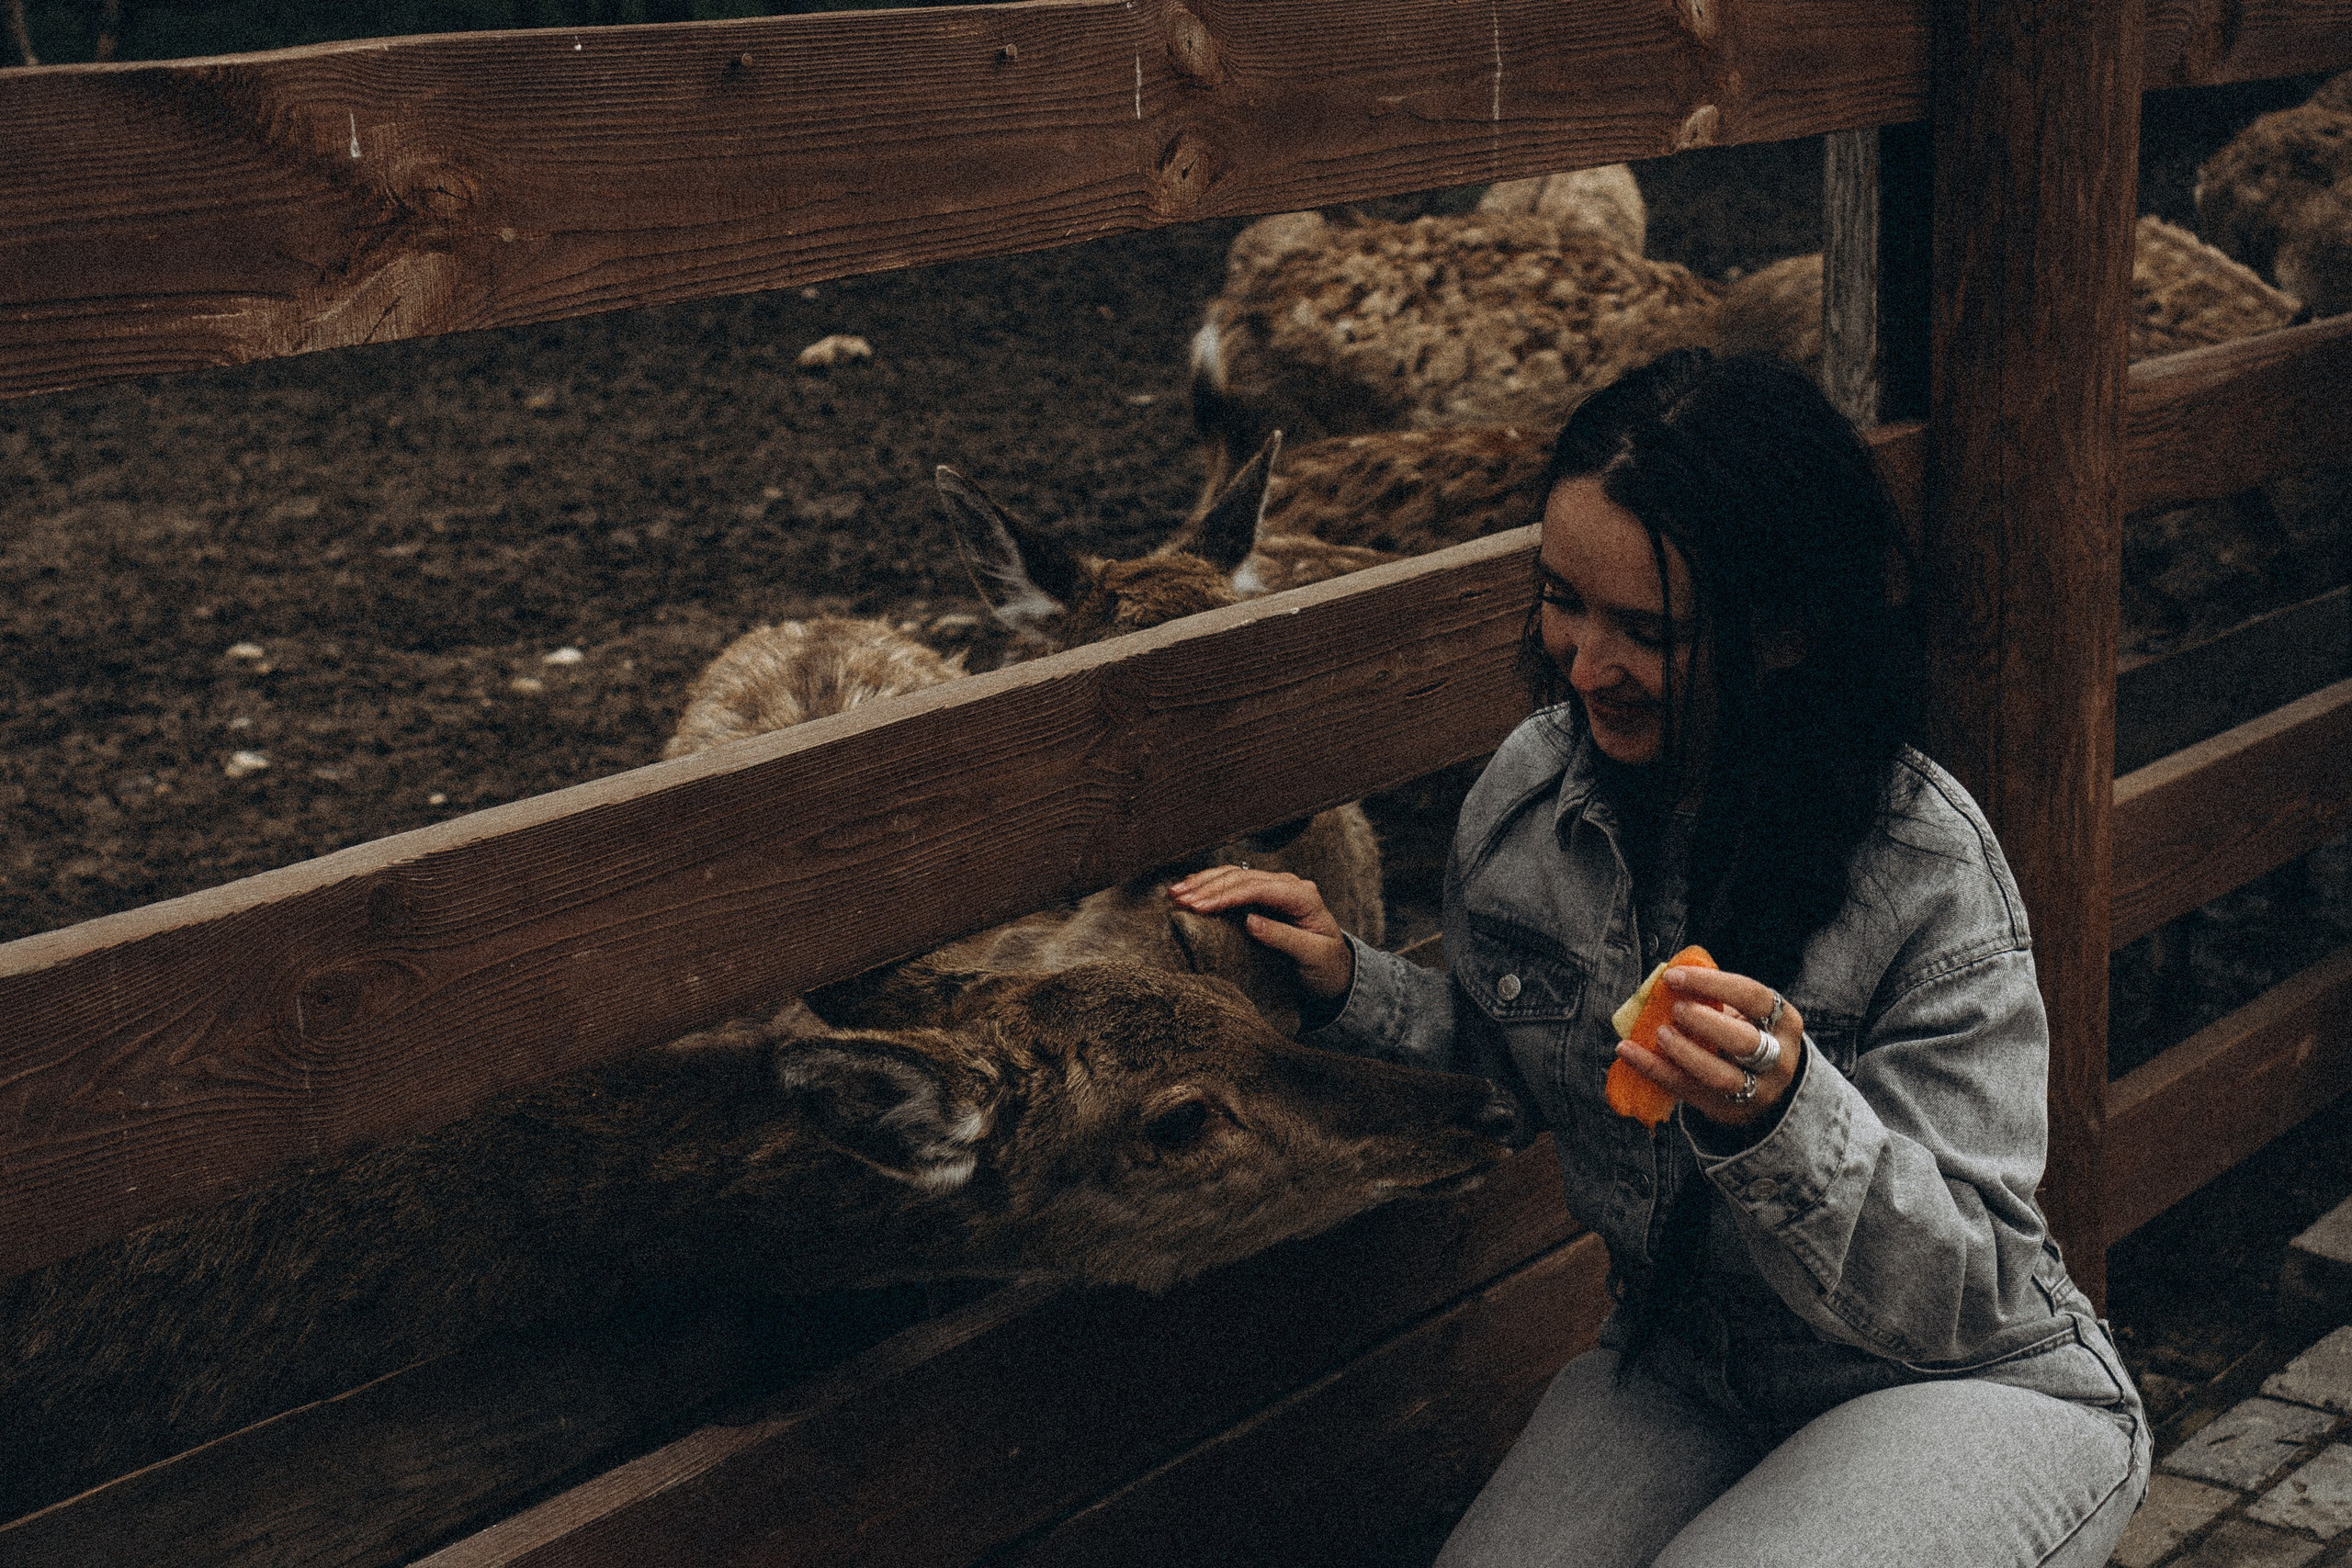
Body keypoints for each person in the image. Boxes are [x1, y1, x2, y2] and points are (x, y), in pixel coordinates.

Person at [1170, 348, 2150, 1567]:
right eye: (1562, 601)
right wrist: (1347, 988)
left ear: (1784, 628)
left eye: (1647, 631)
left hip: (1957, 1380)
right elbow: (1522, 1062)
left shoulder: (1926, 871)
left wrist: (1786, 1117)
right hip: (1684, 1367)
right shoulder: (1528, 803)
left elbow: (1973, 1282)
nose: (1583, 667)